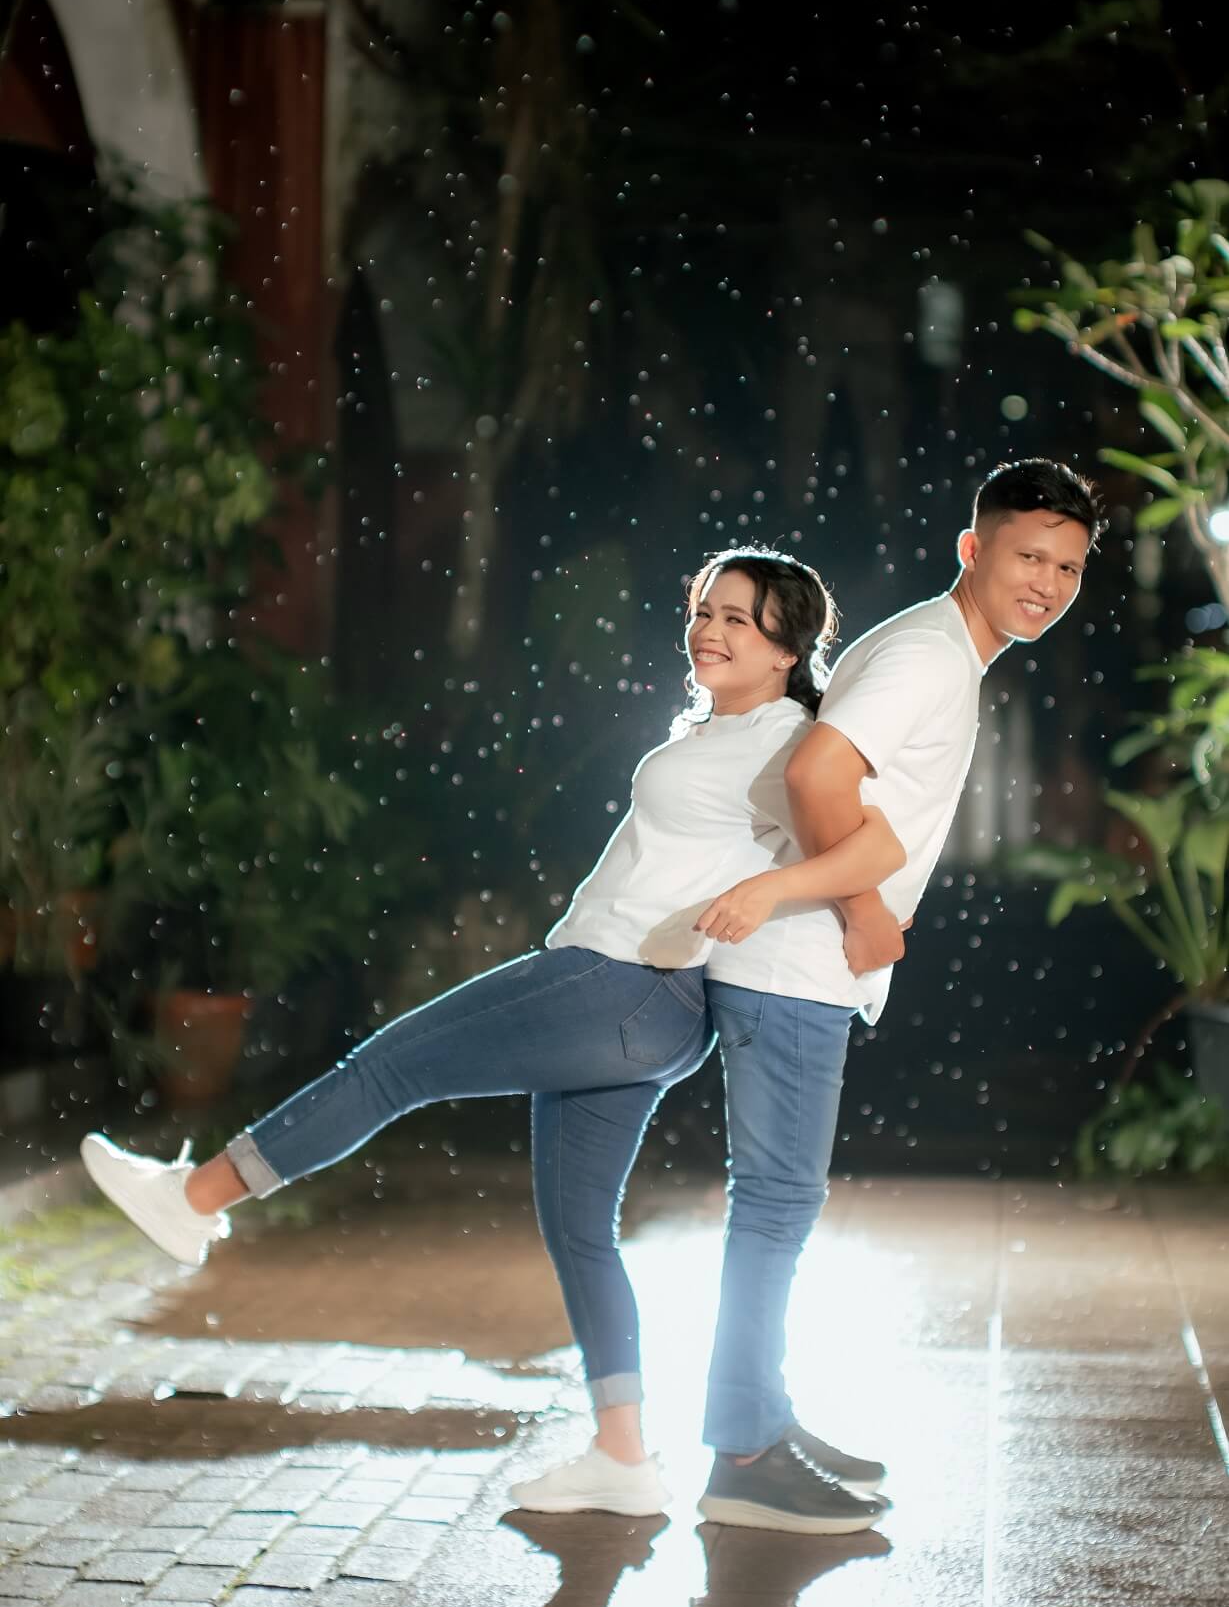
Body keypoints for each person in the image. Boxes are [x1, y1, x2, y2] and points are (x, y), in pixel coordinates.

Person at [80, 547, 903, 1537]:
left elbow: (875, 842)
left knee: (390, 1066)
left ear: (787, 648)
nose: (708, 631)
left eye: (737, 619)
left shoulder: (791, 742)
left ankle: (194, 1199)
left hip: (617, 982)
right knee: (577, 1225)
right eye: (702, 611)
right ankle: (622, 1458)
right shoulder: (716, 728)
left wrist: (776, 894)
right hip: (638, 1000)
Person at [511, 458, 1105, 1536]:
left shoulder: (931, 644)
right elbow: (815, 773)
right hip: (798, 964)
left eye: (1065, 567)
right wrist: (863, 912)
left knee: (775, 1205)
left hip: (797, 959)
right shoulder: (927, 657)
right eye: (1027, 556)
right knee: (777, 1206)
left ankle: (762, 1419)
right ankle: (744, 1456)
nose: (1045, 583)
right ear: (972, 549)